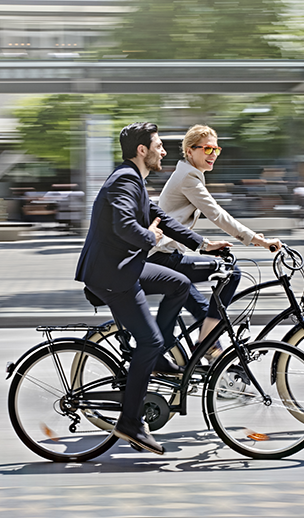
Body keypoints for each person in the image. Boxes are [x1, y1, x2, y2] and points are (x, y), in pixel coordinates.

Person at [75, 122, 229, 455]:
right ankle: (130, 421)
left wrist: (202, 244)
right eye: (158, 145)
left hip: (124, 268)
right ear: (142, 150)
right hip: (112, 276)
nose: (163, 151)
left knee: (180, 283)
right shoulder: (124, 181)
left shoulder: (136, 181)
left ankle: (157, 357)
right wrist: (151, 237)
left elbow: (163, 218)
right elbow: (125, 224)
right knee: (150, 340)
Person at [149, 124, 282, 357]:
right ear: (190, 151)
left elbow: (181, 223)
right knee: (232, 273)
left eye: (216, 150)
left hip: (168, 255)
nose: (213, 155)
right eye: (207, 149)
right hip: (162, 258)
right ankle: (202, 348)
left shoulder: (188, 175)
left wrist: (209, 244)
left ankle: (212, 367)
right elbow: (217, 213)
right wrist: (256, 240)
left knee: (205, 312)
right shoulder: (187, 177)